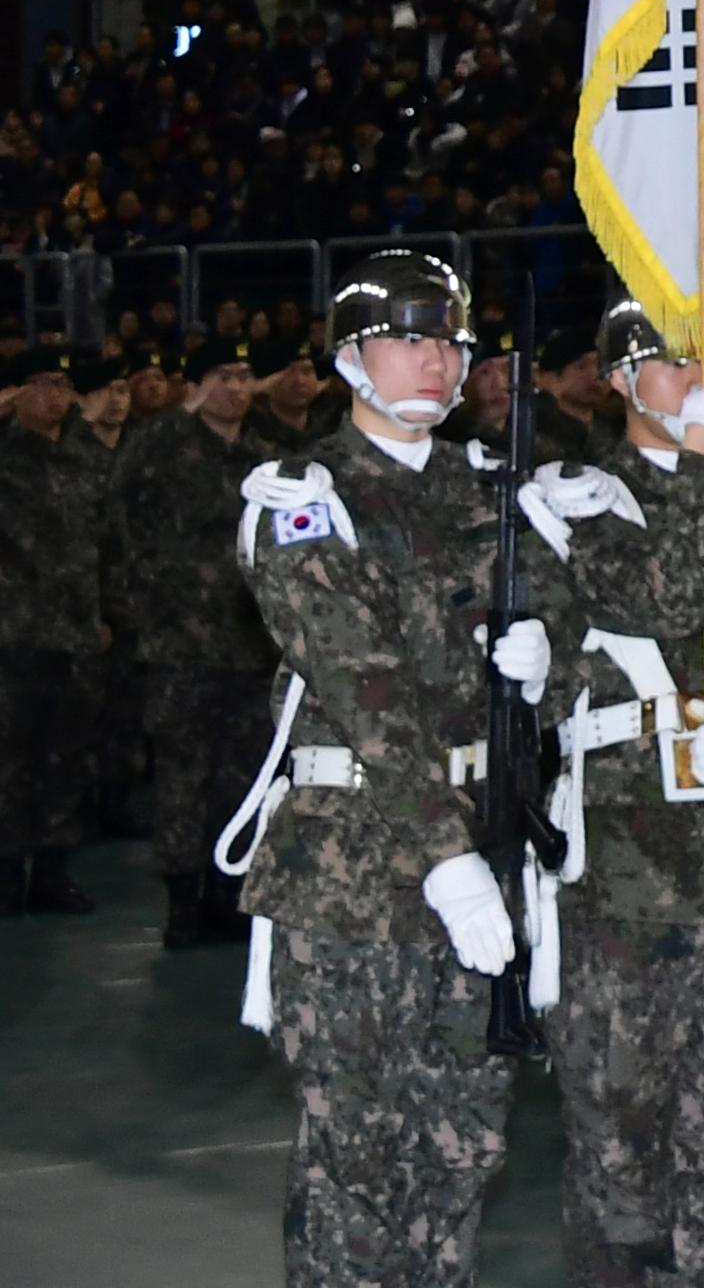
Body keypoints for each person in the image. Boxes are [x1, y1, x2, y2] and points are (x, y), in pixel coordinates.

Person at [221, 252, 535, 1287]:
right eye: (410, 336)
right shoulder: (304, 496)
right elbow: (364, 682)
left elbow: (575, 615)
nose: (436, 358)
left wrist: (550, 650)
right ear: (351, 355)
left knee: (461, 1147)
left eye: (449, 339)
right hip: (355, 873)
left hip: (483, 853)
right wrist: (446, 856)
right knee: (361, 1159)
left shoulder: (491, 485)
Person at [524, 298, 704, 1288]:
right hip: (622, 875)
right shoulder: (572, 497)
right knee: (618, 1126)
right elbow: (661, 597)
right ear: (621, 377)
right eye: (684, 360)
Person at [105, 332, 276, 949]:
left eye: (243, 374)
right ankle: (182, 900)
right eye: (222, 375)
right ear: (198, 387)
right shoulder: (162, 447)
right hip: (178, 643)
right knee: (181, 776)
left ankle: (229, 894)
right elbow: (118, 506)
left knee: (243, 778)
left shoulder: (263, 458)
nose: (234, 387)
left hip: (250, 644)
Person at [0, 346, 112, 914]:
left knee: (66, 758)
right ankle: (4, 871)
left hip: (75, 631)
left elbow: (108, 542)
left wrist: (106, 616)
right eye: (40, 383)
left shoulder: (85, 456)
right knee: (8, 757)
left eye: (62, 384)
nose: (54, 395)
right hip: (11, 633)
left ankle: (51, 870)